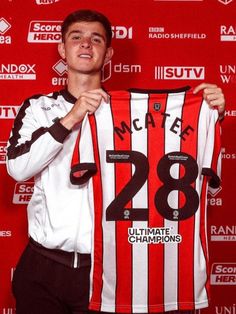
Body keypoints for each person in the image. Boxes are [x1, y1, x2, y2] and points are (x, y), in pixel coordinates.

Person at [6, 9, 225, 314]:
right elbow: (18, 168)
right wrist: (72, 117)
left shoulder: (131, 115)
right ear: (62, 48)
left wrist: (209, 115)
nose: (85, 44)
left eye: (95, 39)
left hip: (106, 268)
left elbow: (179, 150)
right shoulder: (39, 107)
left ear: (108, 54)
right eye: (76, 37)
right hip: (42, 265)